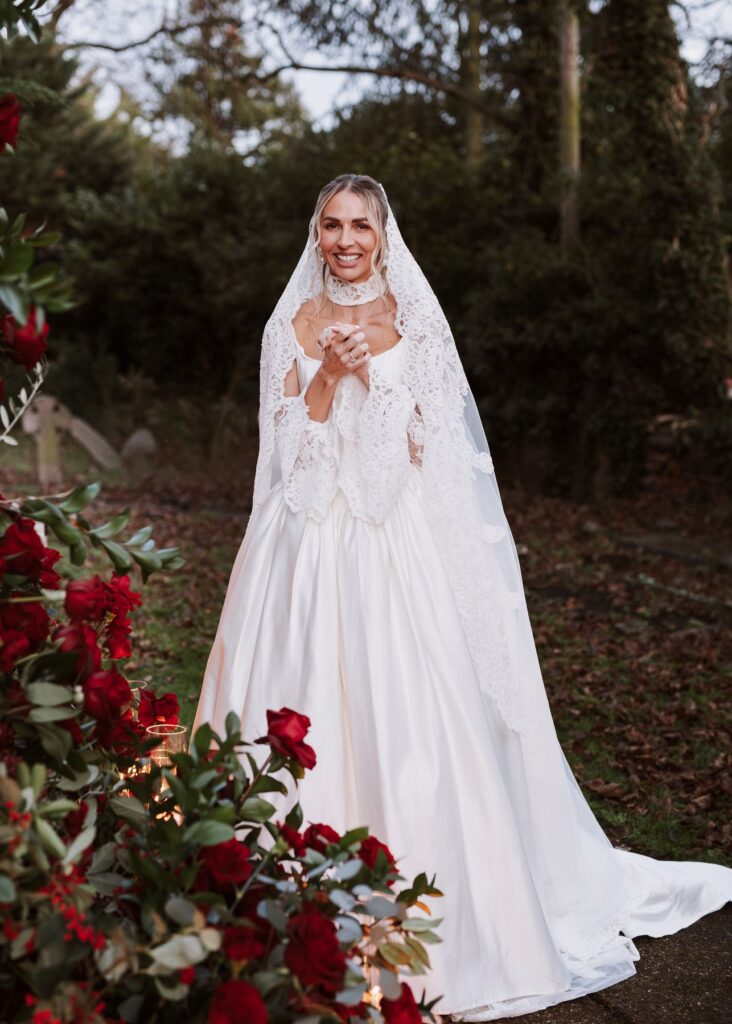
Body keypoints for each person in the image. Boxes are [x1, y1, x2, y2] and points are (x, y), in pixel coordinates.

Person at [193, 173, 732, 1021]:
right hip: (303, 544)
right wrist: (327, 378)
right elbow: (290, 460)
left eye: (360, 225)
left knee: (413, 711)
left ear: (382, 233)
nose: (345, 240)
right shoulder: (286, 324)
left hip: (395, 544)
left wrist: (374, 380)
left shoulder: (414, 322)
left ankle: (431, 901)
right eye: (331, 225)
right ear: (315, 233)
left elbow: (424, 451)